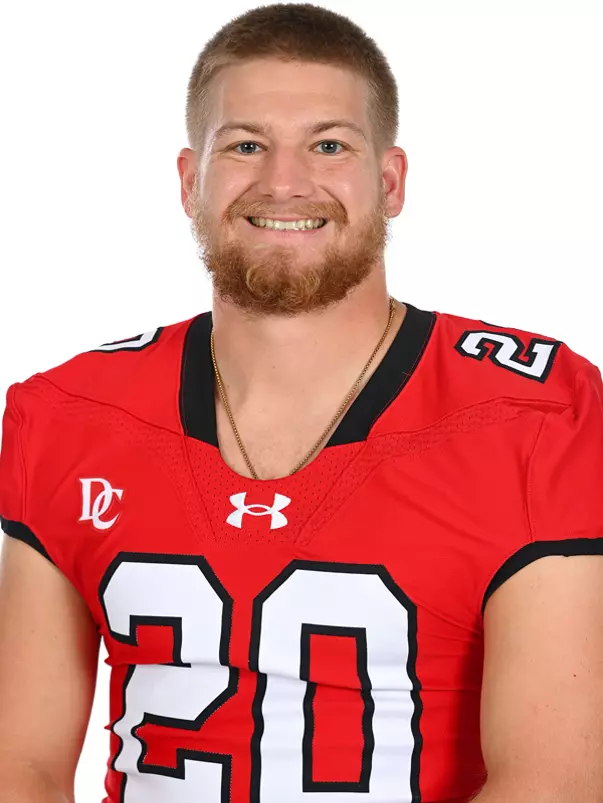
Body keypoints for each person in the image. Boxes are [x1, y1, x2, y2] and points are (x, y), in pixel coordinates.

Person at [1, 3, 603, 802]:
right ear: (191, 181)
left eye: (328, 145)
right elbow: (23, 763)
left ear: (389, 182)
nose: (284, 182)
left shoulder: (535, 414)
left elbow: (556, 779)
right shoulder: (69, 413)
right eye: (245, 145)